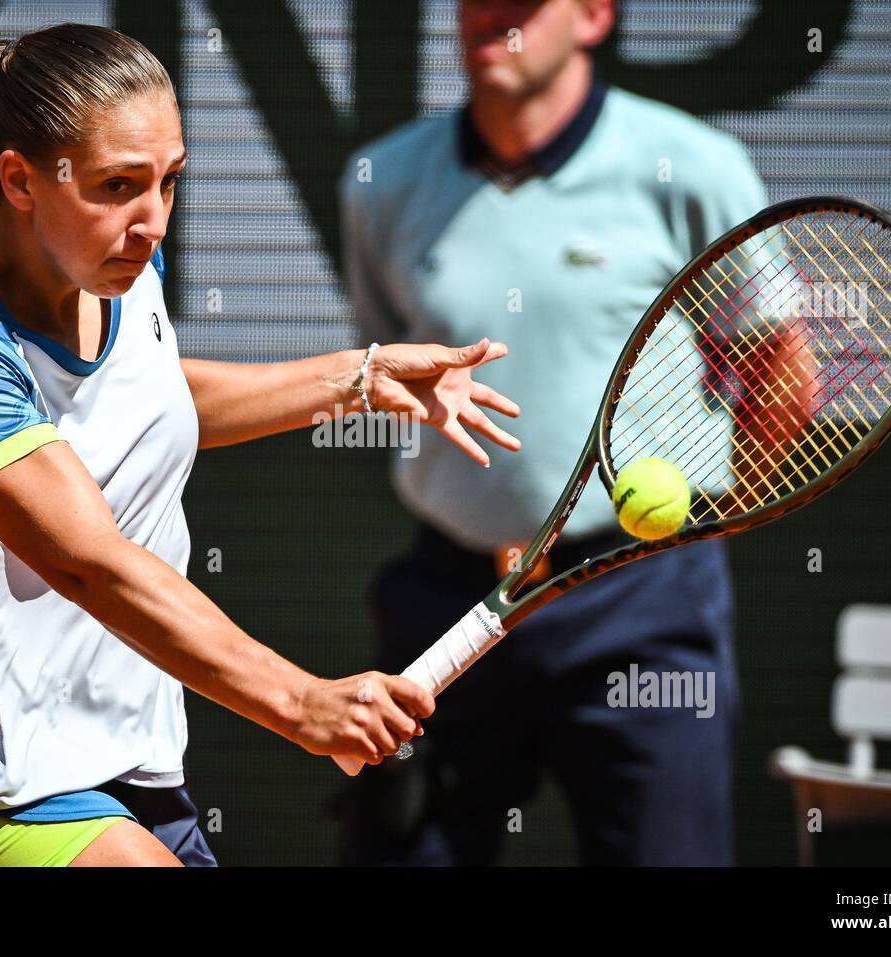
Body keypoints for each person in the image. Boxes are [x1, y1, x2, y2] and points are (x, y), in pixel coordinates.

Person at [0, 23, 520, 867]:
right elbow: (88, 562)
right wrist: (301, 703)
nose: (152, 222)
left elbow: (143, 400)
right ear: (20, 180)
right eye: (117, 186)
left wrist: (356, 378)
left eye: (169, 182)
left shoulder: (119, 264)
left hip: (139, 767)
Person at [338, 0, 768, 865]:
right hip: (449, 592)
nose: (492, 17)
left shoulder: (694, 166)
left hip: (639, 596)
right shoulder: (382, 180)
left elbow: (774, 355)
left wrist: (726, 507)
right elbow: (389, 361)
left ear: (595, 15)